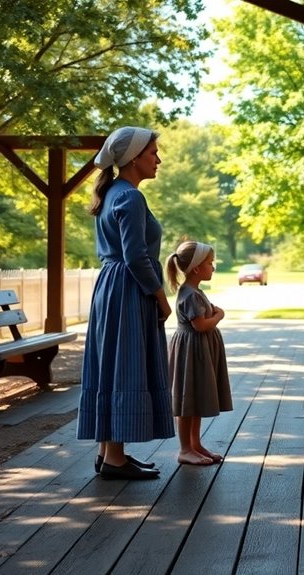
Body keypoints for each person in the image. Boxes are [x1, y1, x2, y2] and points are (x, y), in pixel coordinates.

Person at [78, 126, 174, 481]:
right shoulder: (130, 197)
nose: (158, 160)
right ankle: (115, 458)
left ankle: (109, 454)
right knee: (125, 365)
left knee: (111, 365)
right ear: (134, 159)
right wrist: (161, 298)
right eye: (153, 153)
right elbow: (136, 257)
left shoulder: (113, 193)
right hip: (128, 288)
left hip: (110, 287)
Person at [165, 240, 233, 465]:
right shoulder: (191, 294)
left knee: (194, 400)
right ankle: (185, 449)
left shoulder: (193, 291)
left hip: (198, 350)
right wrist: (219, 315)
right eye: (210, 263)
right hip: (191, 351)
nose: (213, 267)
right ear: (196, 268)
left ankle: (195, 444)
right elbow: (201, 325)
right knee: (187, 400)